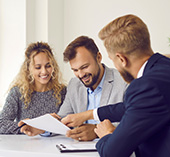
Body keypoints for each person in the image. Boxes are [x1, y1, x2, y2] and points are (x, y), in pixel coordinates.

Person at [61, 14, 170, 157]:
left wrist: (106, 134)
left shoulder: (145, 86)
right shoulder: (164, 67)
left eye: (112, 60)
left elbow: (111, 153)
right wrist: (90, 114)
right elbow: (130, 107)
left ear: (121, 59)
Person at [20, 36, 127, 141]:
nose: (80, 75)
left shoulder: (124, 80)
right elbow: (63, 118)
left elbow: (132, 121)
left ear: (98, 57)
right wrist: (42, 127)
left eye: (84, 67)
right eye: (75, 70)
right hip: (77, 150)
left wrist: (95, 131)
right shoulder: (74, 84)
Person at [0, 42, 66, 134]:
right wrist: (26, 128)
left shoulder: (62, 92)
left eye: (48, 66)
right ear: (28, 68)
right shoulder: (18, 92)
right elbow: (2, 123)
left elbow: (68, 123)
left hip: (54, 145)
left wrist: (43, 125)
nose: (44, 71)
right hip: (26, 146)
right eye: (38, 67)